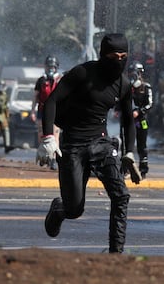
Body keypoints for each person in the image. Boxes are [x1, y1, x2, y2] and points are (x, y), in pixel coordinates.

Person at [36, 33, 142, 253]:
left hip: (101, 143)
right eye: (114, 56)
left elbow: (128, 121)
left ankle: (115, 255)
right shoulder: (82, 73)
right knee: (75, 209)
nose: (119, 61)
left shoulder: (122, 84)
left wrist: (130, 153)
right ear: (103, 55)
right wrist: (48, 138)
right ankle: (59, 209)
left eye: (124, 56)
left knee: (121, 195)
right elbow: (51, 102)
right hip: (72, 144)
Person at [31, 55, 62, 170]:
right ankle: (44, 155)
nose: (51, 69)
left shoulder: (60, 80)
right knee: (42, 135)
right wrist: (32, 111)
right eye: (49, 66)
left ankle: (53, 159)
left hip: (55, 111)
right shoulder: (41, 80)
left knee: (55, 136)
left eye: (53, 67)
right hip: (42, 110)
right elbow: (35, 97)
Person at [128, 61, 153, 179]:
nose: (133, 75)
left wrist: (139, 111)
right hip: (129, 121)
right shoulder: (127, 87)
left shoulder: (146, 87)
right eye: (131, 73)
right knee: (127, 145)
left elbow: (149, 104)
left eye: (136, 73)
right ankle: (126, 169)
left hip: (141, 120)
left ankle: (143, 169)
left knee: (142, 145)